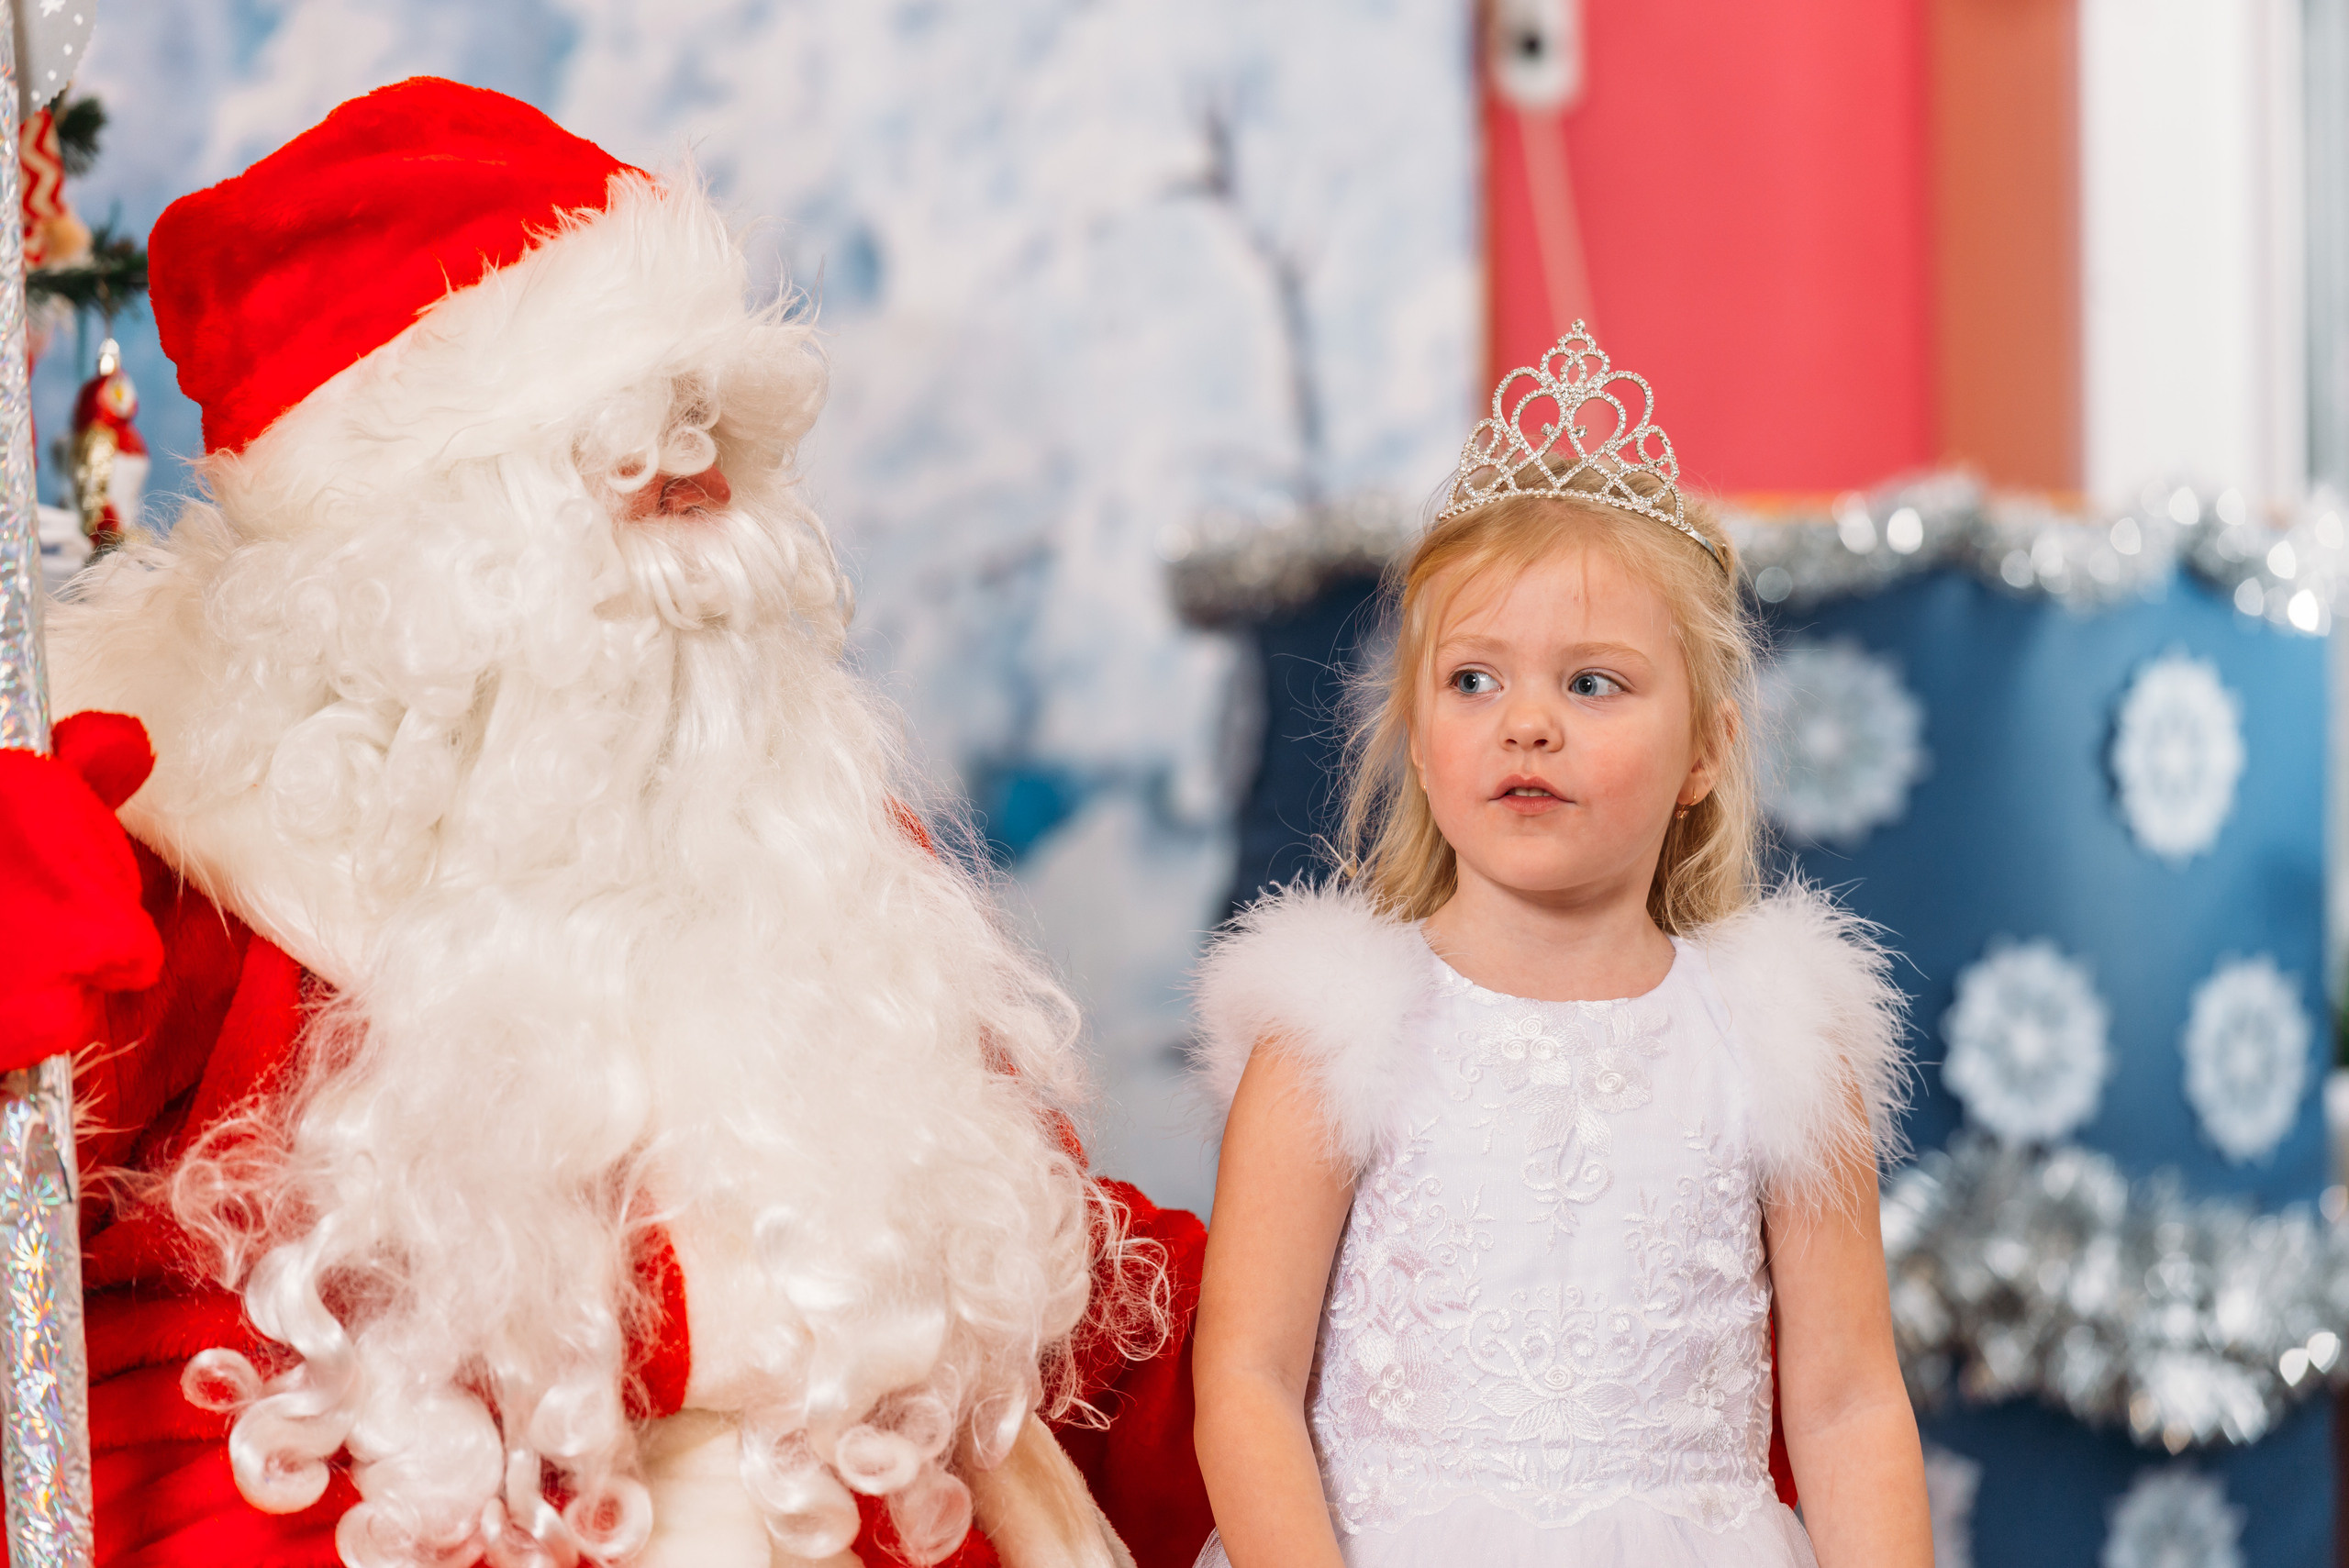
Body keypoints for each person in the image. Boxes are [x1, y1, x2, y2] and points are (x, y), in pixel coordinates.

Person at [0, 77, 1210, 1568]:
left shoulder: (793, 826)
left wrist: (1352, 1274)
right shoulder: (205, 861)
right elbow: (55, 1132)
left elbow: (1027, 1274)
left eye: (714, 421)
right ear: (423, 546)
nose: (702, 479)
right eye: (632, 444)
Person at [1186, 324, 1932, 1568]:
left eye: (1593, 683)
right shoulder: (1338, 1030)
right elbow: (1248, 1376)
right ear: (1420, 742)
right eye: (1475, 680)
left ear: (1706, 750)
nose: (1527, 722)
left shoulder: (1776, 1044)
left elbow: (1850, 1399)